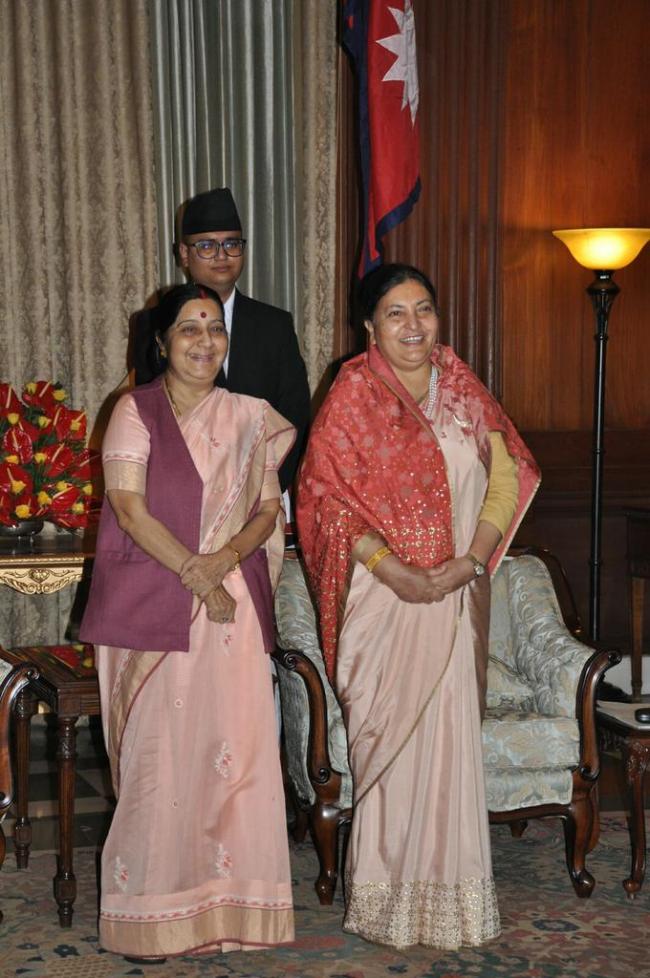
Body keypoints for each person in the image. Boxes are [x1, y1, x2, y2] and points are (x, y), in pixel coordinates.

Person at [297, 263, 540, 950]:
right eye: (396, 313)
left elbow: (503, 480)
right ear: (369, 327)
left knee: (449, 748)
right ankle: (387, 907)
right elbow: (324, 502)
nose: (414, 326)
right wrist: (397, 571)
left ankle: (454, 907)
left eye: (424, 310)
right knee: (396, 754)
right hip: (387, 601)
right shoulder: (352, 394)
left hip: (455, 596)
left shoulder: (461, 387)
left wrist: (469, 562)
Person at [80, 283, 295, 960]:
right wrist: (198, 576)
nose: (204, 340)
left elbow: (266, 509)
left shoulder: (250, 414)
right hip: (154, 603)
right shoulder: (133, 411)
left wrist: (223, 564)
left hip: (232, 607)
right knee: (159, 760)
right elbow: (130, 508)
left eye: (214, 328)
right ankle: (154, 916)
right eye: (188, 329)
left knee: (237, 755)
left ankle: (234, 915)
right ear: (161, 342)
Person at [133, 187, 310, 494]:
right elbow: (153, 419)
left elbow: (295, 419)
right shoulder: (154, 323)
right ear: (184, 254)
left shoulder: (274, 325)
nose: (221, 256)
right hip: (180, 495)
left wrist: (262, 493)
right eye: (206, 246)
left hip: (262, 495)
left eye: (231, 244)